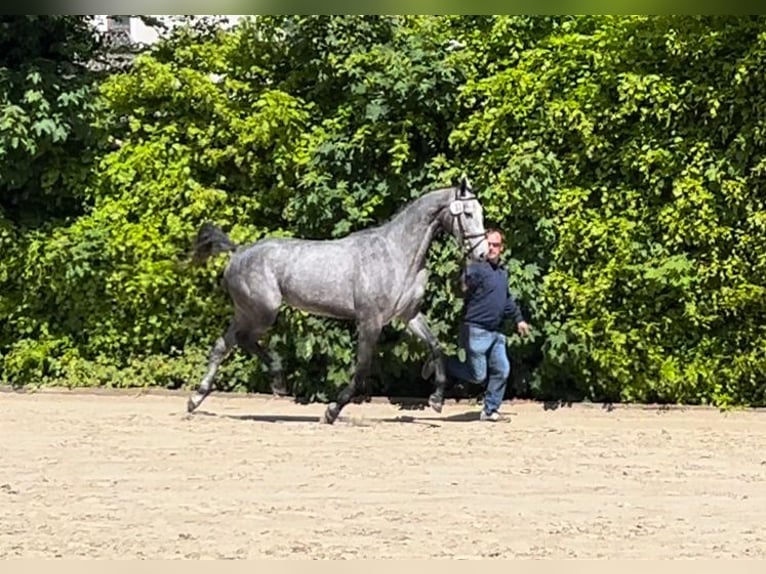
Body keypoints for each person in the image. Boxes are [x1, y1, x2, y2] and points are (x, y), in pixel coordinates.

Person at [423, 228, 531, 421]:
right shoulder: (477, 268)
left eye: (495, 245)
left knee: (502, 369)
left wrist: (519, 319)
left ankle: (490, 411)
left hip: (495, 332)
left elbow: (506, 300)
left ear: (501, 248)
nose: (491, 248)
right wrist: (463, 272)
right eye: (488, 244)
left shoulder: (502, 272)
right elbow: (464, 282)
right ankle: (441, 363)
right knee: (477, 376)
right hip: (475, 330)